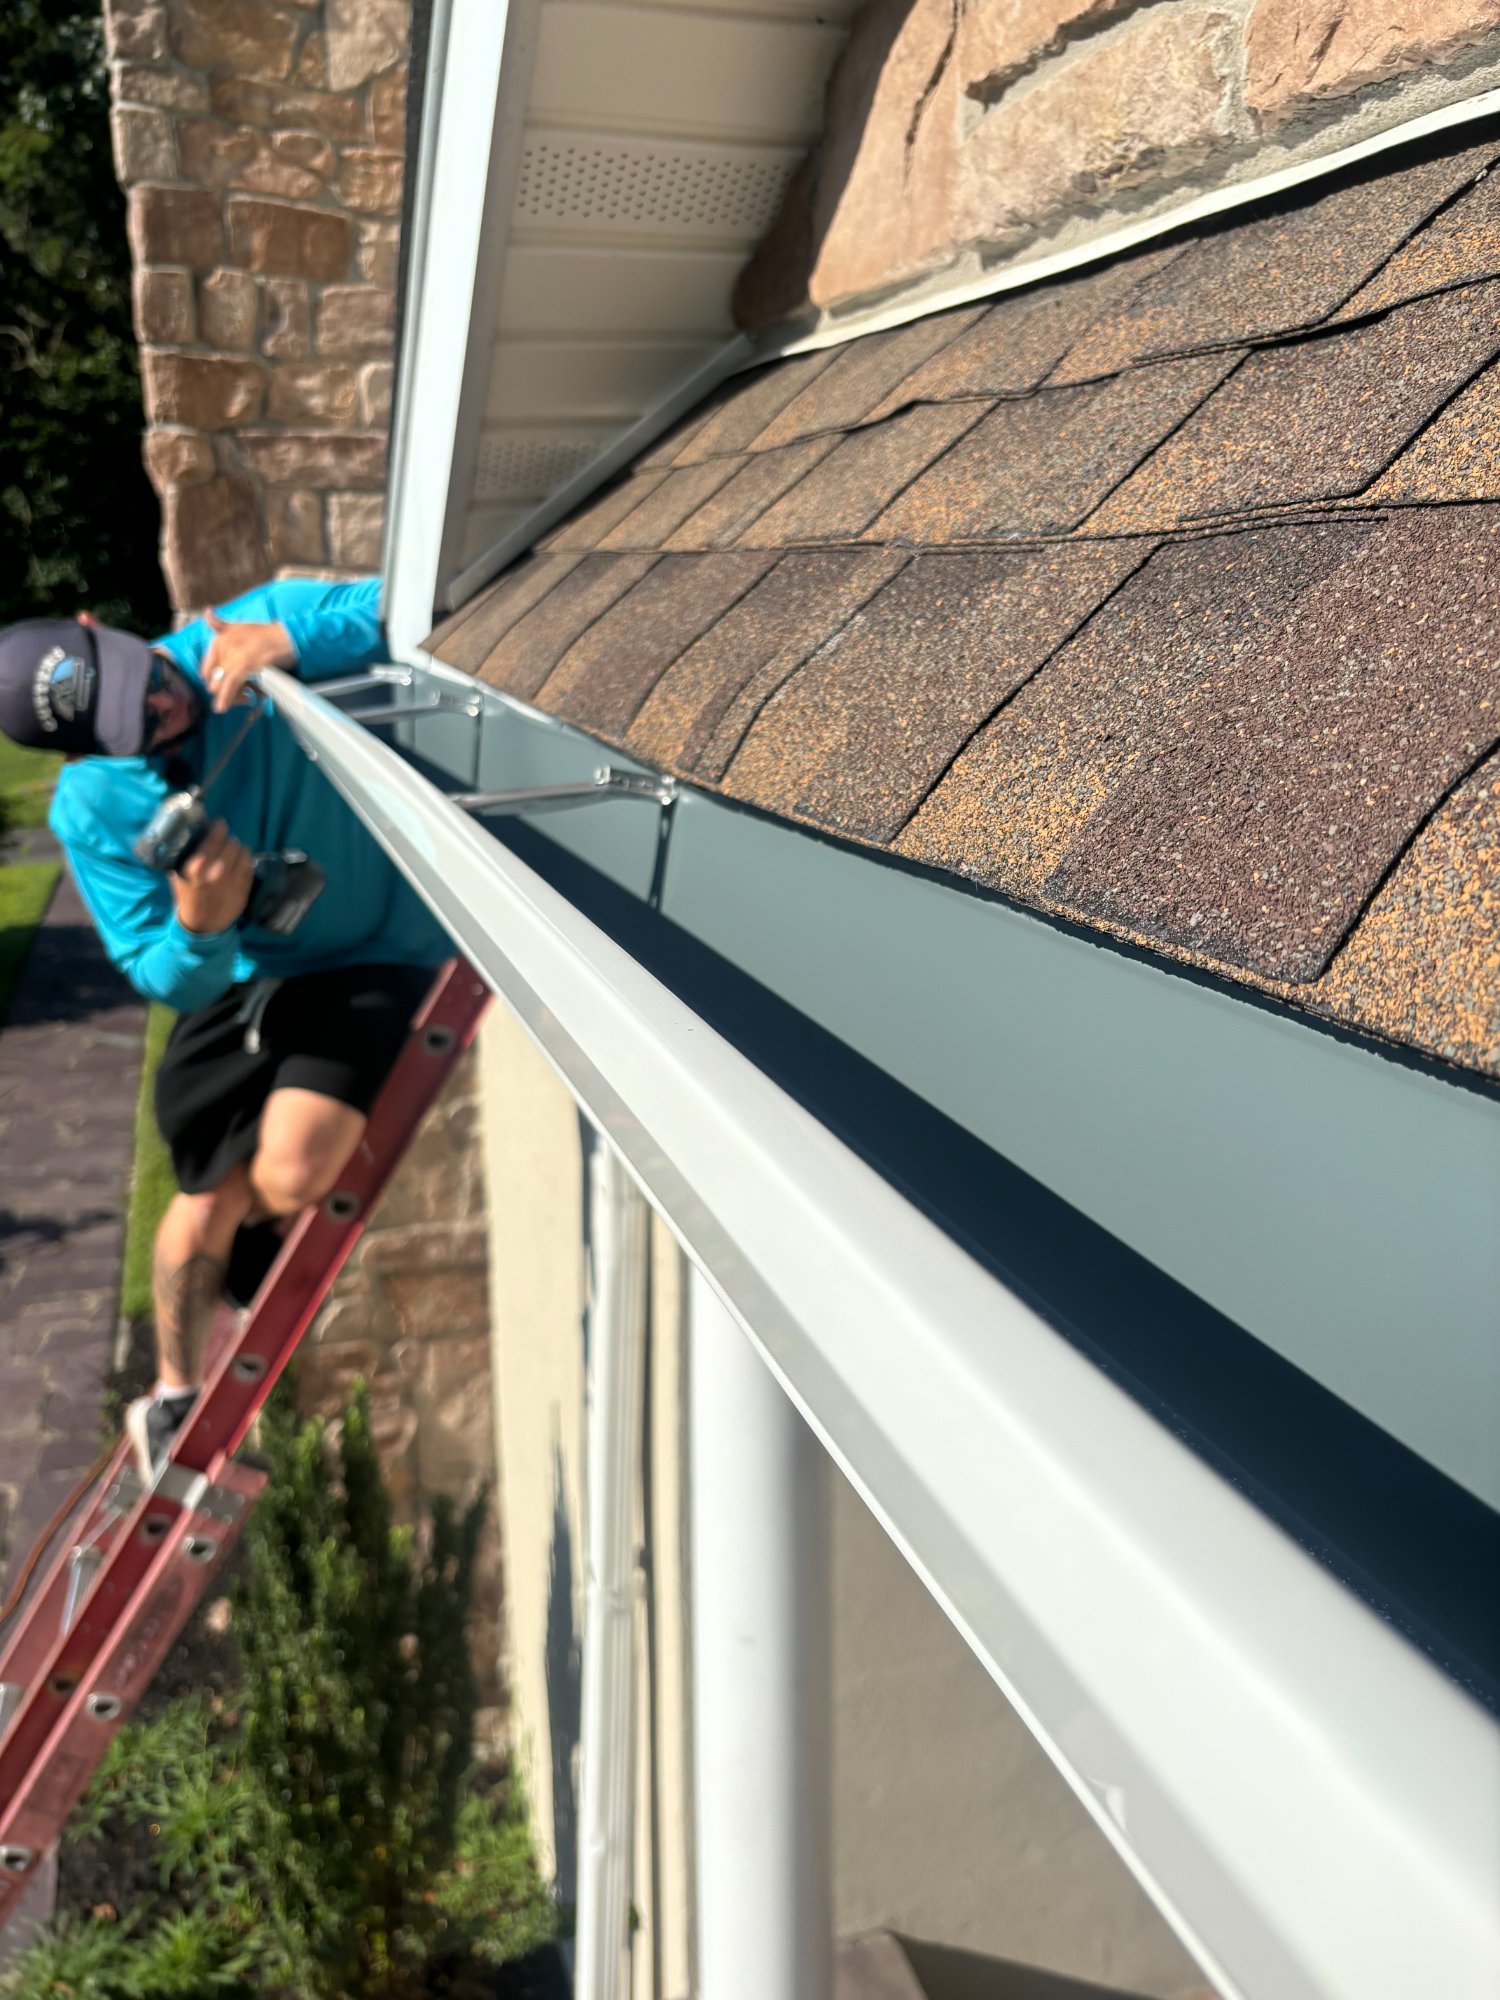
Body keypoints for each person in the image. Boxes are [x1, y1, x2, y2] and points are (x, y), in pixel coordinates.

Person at [0, 578, 451, 1475]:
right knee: (204, 1187)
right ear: (79, 753)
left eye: (145, 678)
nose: (166, 704)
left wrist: (290, 649)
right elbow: (154, 971)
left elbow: (421, 595)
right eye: (134, 722)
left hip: (383, 948)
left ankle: (249, 1241)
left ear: (99, 626)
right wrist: (202, 920)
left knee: (292, 1169)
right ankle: (169, 1398)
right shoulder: (88, 808)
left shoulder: (243, 620)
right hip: (252, 978)